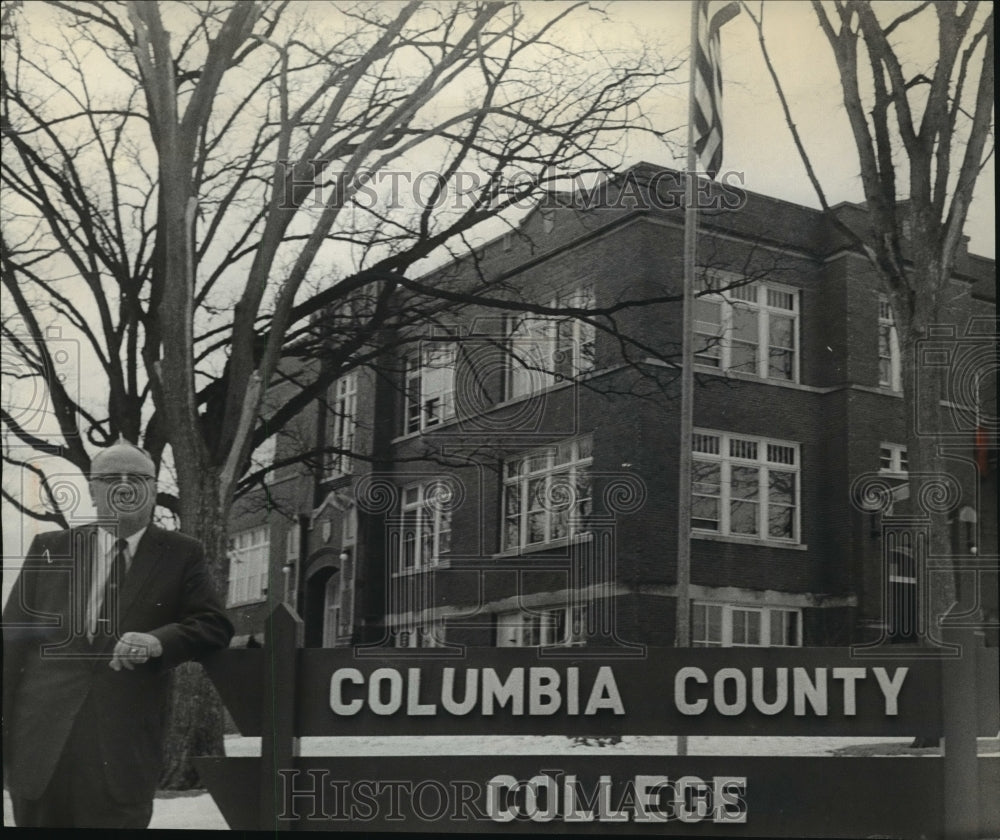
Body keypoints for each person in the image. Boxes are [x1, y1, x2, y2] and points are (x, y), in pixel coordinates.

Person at [2, 440, 234, 828]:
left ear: (154, 490)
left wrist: (160, 640)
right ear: (92, 490)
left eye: (138, 478)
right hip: (40, 751)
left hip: (121, 756)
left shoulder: (181, 554)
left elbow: (214, 624)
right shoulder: (50, 548)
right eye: (110, 478)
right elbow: (11, 646)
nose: (124, 487)